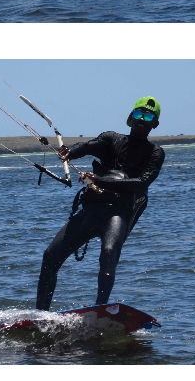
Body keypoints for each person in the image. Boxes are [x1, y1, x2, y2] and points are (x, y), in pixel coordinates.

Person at [36, 96, 165, 311]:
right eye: (139, 113)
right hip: (91, 210)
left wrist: (98, 180)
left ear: (155, 124)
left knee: (108, 252)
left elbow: (141, 183)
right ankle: (40, 314)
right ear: (130, 117)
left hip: (117, 214)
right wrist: (70, 152)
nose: (142, 119)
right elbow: (86, 147)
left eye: (149, 116)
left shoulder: (155, 153)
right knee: (50, 256)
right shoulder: (111, 139)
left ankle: (100, 309)